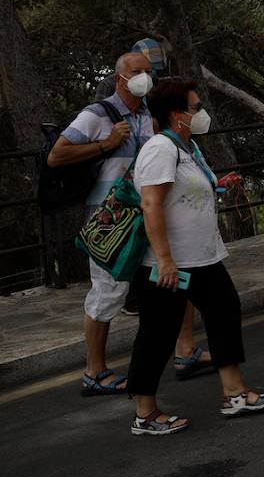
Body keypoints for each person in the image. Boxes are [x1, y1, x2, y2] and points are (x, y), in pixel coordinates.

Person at [47, 51, 211, 396]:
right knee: (108, 293)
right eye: (137, 72)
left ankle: (185, 351)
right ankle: (94, 372)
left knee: (178, 279)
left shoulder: (150, 113)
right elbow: (56, 155)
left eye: (148, 72)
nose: (145, 78)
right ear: (120, 77)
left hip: (150, 215)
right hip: (113, 221)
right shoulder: (97, 114)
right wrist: (106, 144)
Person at [128, 78, 264, 435]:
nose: (201, 113)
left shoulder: (187, 148)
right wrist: (164, 259)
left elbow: (185, 193)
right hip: (169, 263)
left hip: (202, 257)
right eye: (195, 108)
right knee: (158, 334)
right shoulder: (161, 148)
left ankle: (235, 392)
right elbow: (151, 204)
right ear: (177, 114)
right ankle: (145, 413)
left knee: (225, 312)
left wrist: (216, 184)